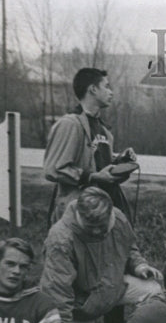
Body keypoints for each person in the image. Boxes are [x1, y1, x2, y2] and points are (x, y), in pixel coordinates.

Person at [40, 187, 162, 323]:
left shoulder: (119, 218)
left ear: (111, 214)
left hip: (112, 287)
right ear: (79, 216)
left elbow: (129, 248)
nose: (97, 232)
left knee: (154, 291)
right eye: (90, 227)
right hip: (80, 306)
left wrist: (140, 266)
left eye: (102, 226)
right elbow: (58, 294)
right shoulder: (61, 239)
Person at [43, 67, 138, 222]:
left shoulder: (104, 130)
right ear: (93, 89)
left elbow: (101, 167)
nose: (111, 92)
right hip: (79, 214)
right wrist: (93, 176)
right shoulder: (70, 124)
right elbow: (53, 169)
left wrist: (121, 162)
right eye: (106, 86)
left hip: (105, 210)